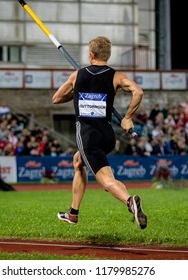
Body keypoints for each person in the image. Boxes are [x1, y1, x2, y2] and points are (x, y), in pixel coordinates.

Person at [52, 36, 147, 229]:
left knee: (106, 181)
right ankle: (73, 213)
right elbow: (138, 92)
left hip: (88, 136)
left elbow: (56, 98)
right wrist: (127, 117)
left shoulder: (77, 75)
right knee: (78, 162)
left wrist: (76, 92)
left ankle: (130, 201)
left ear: (90, 54)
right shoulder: (117, 76)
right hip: (107, 135)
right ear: (108, 55)